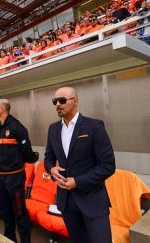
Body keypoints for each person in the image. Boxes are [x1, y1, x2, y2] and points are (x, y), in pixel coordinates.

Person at [44, 87, 116, 243]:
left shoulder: (94, 127)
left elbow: (108, 166)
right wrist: (51, 168)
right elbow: (48, 158)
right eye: (55, 101)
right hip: (66, 201)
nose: (57, 104)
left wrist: (77, 182)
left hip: (92, 200)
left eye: (62, 101)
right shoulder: (53, 129)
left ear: (75, 101)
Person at [0, 99, 38, 243]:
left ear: (2, 109)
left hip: (15, 178)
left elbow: (27, 153)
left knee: (19, 211)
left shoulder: (18, 128)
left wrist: (30, 159)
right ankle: (10, 238)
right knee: (5, 210)